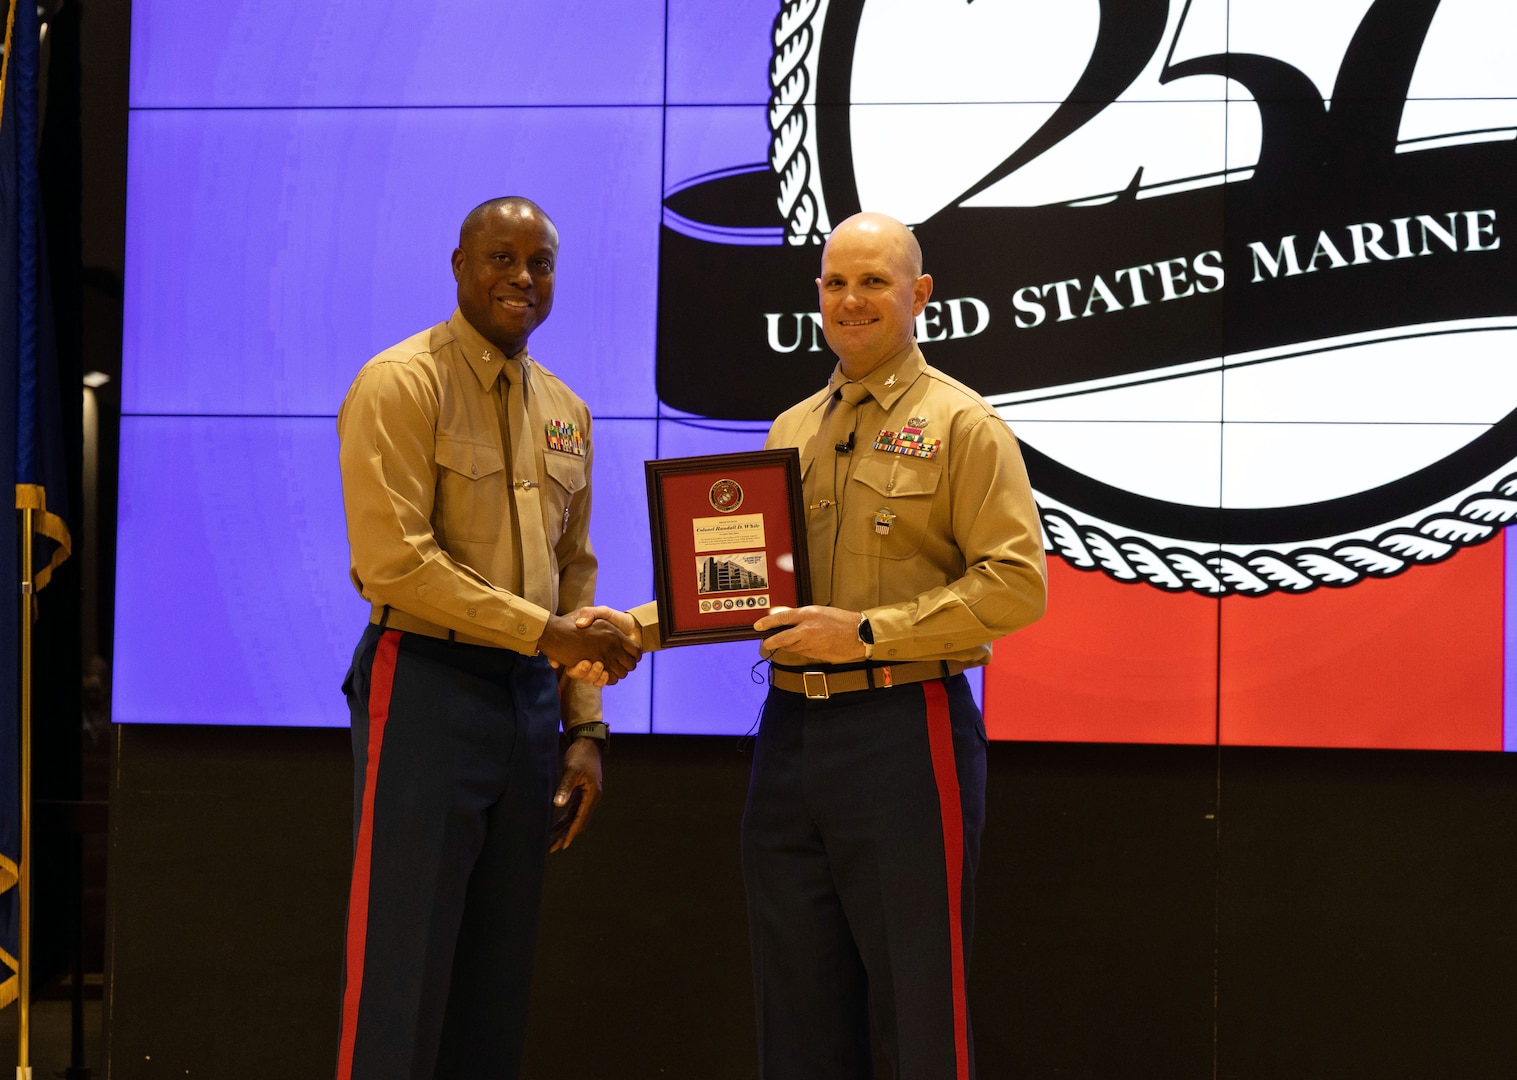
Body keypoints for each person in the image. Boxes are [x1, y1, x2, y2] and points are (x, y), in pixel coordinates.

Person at [578, 211, 1047, 1079]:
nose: (852, 300)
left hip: (905, 734)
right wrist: (629, 629)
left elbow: (1017, 586)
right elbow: (743, 583)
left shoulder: (964, 426)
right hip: (790, 737)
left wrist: (866, 633)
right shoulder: (792, 426)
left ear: (919, 295)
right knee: (794, 1006)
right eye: (835, 282)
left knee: (917, 1002)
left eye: (872, 281)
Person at [333, 196, 640, 1080]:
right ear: (460, 264)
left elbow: (573, 570)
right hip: (424, 683)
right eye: (501, 258)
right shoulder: (400, 382)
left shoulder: (566, 409)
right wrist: (543, 633)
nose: (522, 278)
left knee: (498, 970)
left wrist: (582, 729)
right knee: (403, 959)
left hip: (528, 701)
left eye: (539, 262)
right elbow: (395, 564)